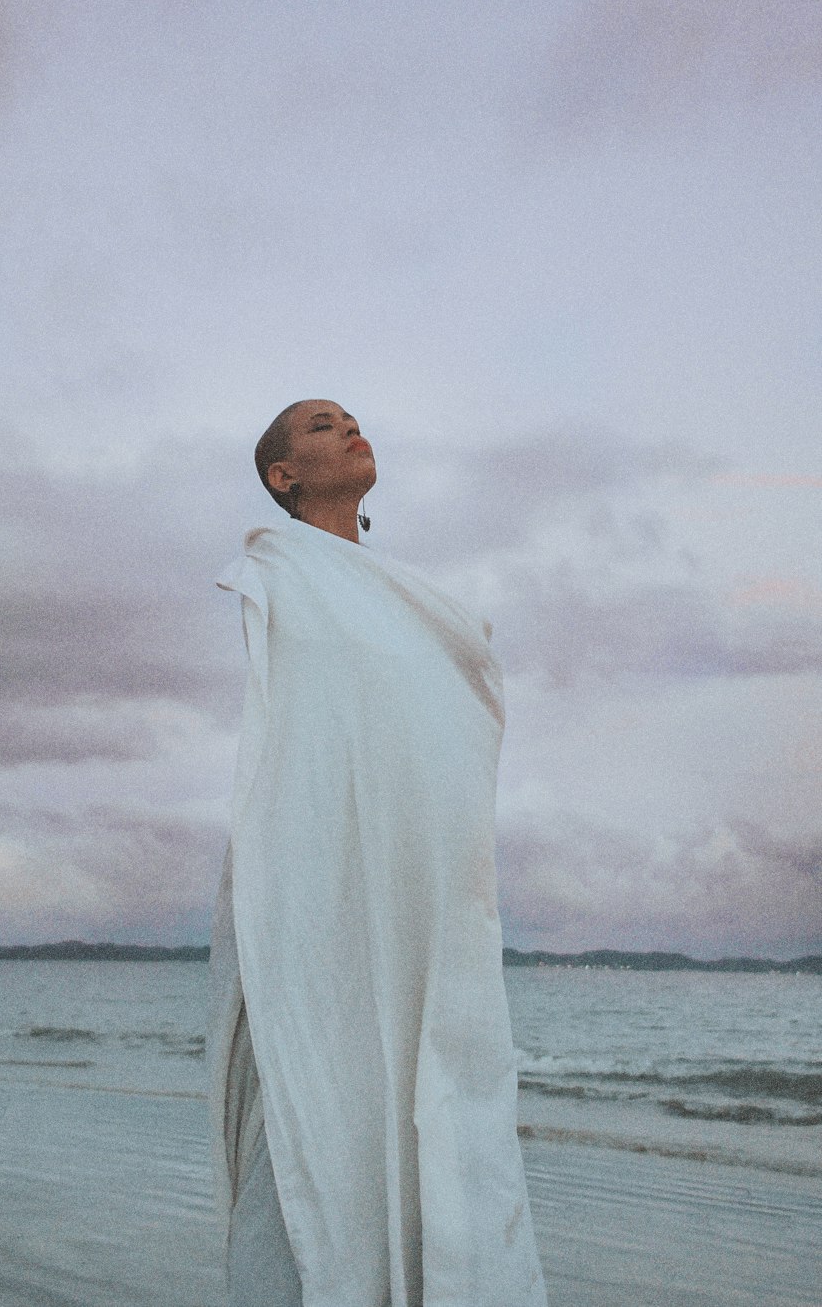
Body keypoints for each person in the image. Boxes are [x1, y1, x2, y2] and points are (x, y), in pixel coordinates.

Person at [208, 399, 548, 1307]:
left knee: (444, 1095)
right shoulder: (277, 574)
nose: (350, 430)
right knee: (322, 1103)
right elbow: (305, 750)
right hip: (319, 891)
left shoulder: (411, 601)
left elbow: (439, 726)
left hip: (425, 897)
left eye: (353, 419)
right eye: (320, 427)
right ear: (283, 475)